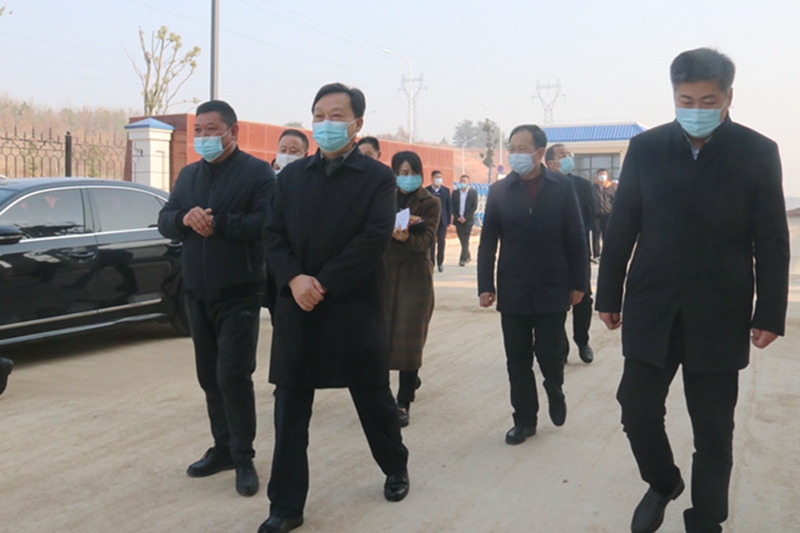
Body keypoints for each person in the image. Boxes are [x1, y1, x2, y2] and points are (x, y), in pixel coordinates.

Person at [596, 48, 789, 533]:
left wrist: (770, 311)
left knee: (714, 432)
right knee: (636, 410)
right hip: (652, 304)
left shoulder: (757, 152)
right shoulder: (647, 148)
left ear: (728, 97)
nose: (696, 110)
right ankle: (662, 482)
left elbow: (771, 239)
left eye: (708, 101)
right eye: (686, 100)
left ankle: (706, 520)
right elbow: (622, 226)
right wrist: (608, 294)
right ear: (674, 95)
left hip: (720, 310)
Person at [260, 83, 409, 533]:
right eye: (319, 115)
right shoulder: (291, 178)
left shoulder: (377, 178)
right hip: (298, 307)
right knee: (289, 410)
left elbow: (373, 239)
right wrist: (294, 278)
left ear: (357, 124)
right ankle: (286, 506)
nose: (325, 123)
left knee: (372, 398)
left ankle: (395, 466)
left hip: (352, 307)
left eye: (336, 116)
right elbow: (272, 235)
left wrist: (322, 283)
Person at [157, 100, 276, 498]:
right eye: (199, 130)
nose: (204, 137)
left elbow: (267, 222)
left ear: (232, 132)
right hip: (197, 290)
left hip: (239, 290)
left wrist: (219, 224)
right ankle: (222, 448)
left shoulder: (257, 173)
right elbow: (165, 219)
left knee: (233, 375)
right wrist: (183, 219)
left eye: (212, 129)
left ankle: (244, 456)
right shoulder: (189, 175)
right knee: (209, 376)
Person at [477, 125, 588, 445]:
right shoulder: (500, 191)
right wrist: (485, 284)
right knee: (518, 359)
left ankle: (555, 388)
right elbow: (488, 243)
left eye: (522, 149)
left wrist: (578, 282)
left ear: (540, 153)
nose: (515, 155)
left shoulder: (562, 187)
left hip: (553, 285)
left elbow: (577, 238)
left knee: (550, 355)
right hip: (513, 288)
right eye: (512, 148)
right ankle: (524, 420)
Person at [385, 152, 440, 427]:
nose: (408, 177)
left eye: (413, 172)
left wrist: (406, 238)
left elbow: (427, 239)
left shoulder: (431, 202)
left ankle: (403, 401)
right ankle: (382, 398)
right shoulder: (383, 198)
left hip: (415, 276)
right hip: (384, 274)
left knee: (410, 339)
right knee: (382, 337)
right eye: (402, 173)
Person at [545, 143, 595, 364]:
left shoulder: (583, 186)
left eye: (568, 155)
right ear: (550, 163)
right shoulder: (542, 186)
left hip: (578, 252)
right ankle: (561, 346)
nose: (567, 158)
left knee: (583, 299)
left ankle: (582, 340)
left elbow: (591, 218)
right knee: (555, 303)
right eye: (562, 155)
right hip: (551, 254)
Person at [424, 170, 451, 272]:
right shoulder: (426, 191)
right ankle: (431, 262)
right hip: (430, 221)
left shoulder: (446, 191)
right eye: (437, 177)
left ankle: (440, 262)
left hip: (442, 221)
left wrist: (449, 220)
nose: (439, 179)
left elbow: (448, 206)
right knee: (431, 242)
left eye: (440, 177)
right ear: (432, 178)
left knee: (441, 242)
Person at [451, 174, 478, 266]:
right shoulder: (455, 193)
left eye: (464, 181)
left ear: (468, 182)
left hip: (468, 220)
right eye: (461, 181)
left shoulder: (473, 193)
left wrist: (465, 217)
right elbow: (452, 206)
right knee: (461, 238)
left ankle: (463, 258)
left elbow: (474, 207)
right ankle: (468, 255)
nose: (462, 183)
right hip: (458, 219)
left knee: (465, 238)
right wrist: (457, 217)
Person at [591, 168, 615, 261]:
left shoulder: (612, 187)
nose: (602, 176)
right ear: (597, 175)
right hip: (596, 215)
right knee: (596, 236)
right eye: (600, 174)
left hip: (608, 215)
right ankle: (596, 255)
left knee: (607, 236)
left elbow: (615, 201)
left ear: (607, 175)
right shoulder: (593, 187)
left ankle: (606, 255)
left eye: (604, 174)